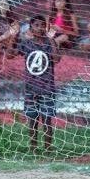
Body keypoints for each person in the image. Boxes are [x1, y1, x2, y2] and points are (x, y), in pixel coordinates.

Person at [17, 15, 61, 151]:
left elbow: (56, 59)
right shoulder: (26, 43)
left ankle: (48, 148)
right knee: (32, 119)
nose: (40, 28)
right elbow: (10, 54)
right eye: (37, 25)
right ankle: (33, 147)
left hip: (47, 87)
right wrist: (13, 36)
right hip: (31, 87)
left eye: (43, 25)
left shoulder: (49, 43)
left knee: (47, 119)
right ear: (31, 28)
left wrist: (52, 39)